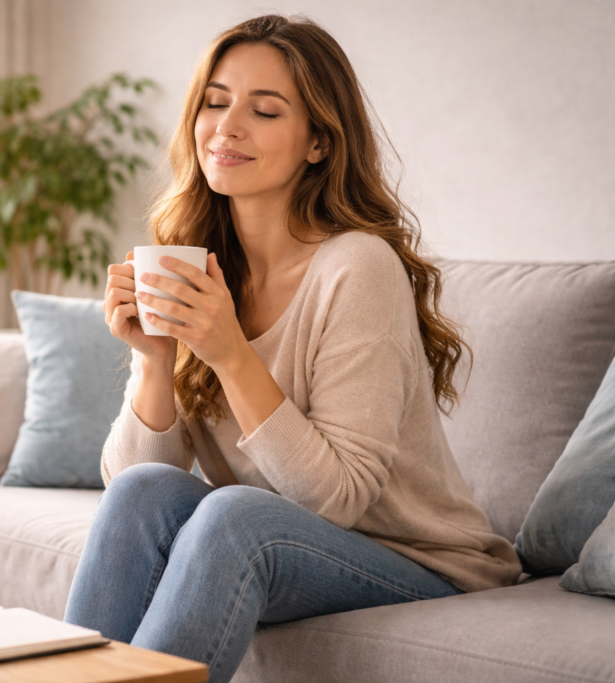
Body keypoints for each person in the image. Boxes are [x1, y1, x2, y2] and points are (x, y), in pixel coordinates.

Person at [63, 14, 522, 683]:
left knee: (233, 514)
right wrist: (155, 358)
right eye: (215, 102)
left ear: (317, 143)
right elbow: (126, 488)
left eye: (265, 110)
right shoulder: (203, 266)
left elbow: (337, 499)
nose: (227, 126)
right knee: (145, 492)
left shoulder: (355, 268)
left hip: (422, 561)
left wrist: (230, 351)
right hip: (289, 538)